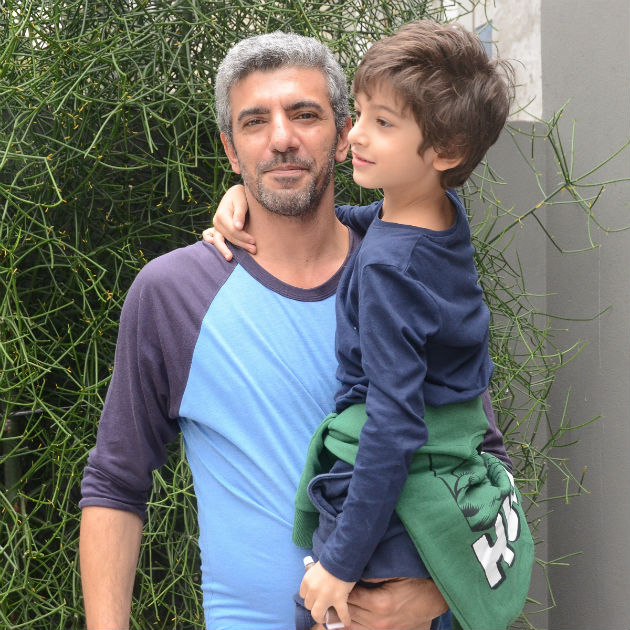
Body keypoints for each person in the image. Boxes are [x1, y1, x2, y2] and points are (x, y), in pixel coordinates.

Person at [79, 30, 512, 630]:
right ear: (232, 150)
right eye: (255, 122)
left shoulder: (406, 272)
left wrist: (440, 592)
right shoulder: (173, 293)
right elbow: (115, 483)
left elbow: (482, 455)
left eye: (305, 115)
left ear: (342, 135)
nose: (281, 138)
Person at [206, 21, 533, 630]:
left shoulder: (386, 271)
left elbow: (392, 422)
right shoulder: (439, 214)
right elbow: (370, 220)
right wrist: (249, 198)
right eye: (357, 114)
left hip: (383, 502)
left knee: (323, 611)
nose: (355, 133)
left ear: (445, 151)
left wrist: (341, 562)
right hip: (449, 475)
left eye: (382, 123)